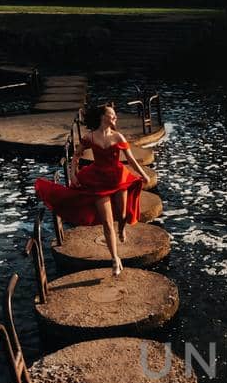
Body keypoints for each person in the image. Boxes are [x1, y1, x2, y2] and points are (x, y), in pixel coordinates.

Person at [33, 103, 150, 277]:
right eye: (112, 115)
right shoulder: (90, 138)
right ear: (103, 117)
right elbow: (76, 156)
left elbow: (131, 160)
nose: (115, 118)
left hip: (118, 178)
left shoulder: (119, 137)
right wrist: (73, 174)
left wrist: (143, 175)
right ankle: (115, 259)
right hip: (98, 181)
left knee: (123, 215)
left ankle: (122, 228)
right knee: (107, 223)